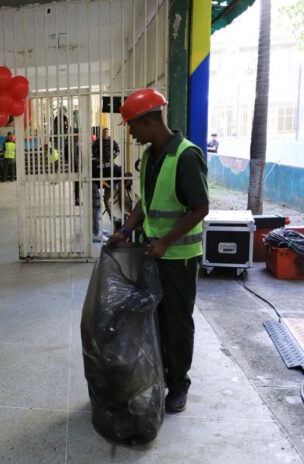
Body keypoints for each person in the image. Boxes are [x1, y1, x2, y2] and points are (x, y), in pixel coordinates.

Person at [107, 88, 209, 414]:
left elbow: (200, 208)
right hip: (153, 254)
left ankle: (179, 385)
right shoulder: (151, 156)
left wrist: (166, 241)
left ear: (149, 120)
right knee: (154, 319)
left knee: (178, 322)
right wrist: (125, 230)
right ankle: (159, 374)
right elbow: (145, 202)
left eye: (133, 125)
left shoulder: (186, 157)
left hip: (178, 259)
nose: (131, 132)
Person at [91, 128, 122, 239]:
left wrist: (112, 158)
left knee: (106, 201)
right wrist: (97, 159)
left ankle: (107, 227)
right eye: (104, 132)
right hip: (99, 177)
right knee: (96, 204)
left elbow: (118, 150)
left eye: (107, 132)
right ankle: (96, 230)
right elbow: (92, 150)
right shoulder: (97, 142)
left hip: (107, 175)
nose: (105, 134)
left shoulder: (112, 142)